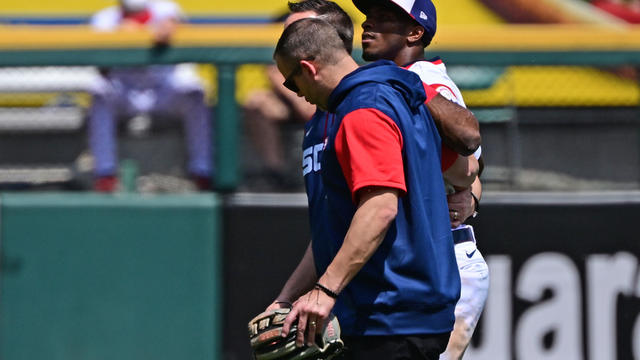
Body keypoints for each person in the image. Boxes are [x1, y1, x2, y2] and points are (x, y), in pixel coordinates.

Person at [273, 17, 462, 359]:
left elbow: (380, 208)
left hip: (389, 315)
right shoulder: (399, 95)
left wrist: (325, 290)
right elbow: (465, 170)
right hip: (402, 312)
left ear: (308, 68)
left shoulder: (362, 108)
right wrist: (288, 298)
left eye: (291, 82)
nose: (296, 92)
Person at [352, 0, 489, 358]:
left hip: (446, 258)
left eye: (384, 19)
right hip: (425, 258)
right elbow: (474, 166)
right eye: (368, 17)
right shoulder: (398, 80)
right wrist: (470, 191)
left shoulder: (424, 79)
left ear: (415, 32)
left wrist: (468, 190)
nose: (368, 25)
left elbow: (468, 155)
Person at [88, 0, 213, 192]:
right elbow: (100, 70)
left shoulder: (164, 8)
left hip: (162, 88)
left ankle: (202, 170)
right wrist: (118, 39)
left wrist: (156, 30)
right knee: (100, 97)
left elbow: (174, 23)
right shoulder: (104, 19)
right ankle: (105, 174)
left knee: (195, 96)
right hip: (125, 90)